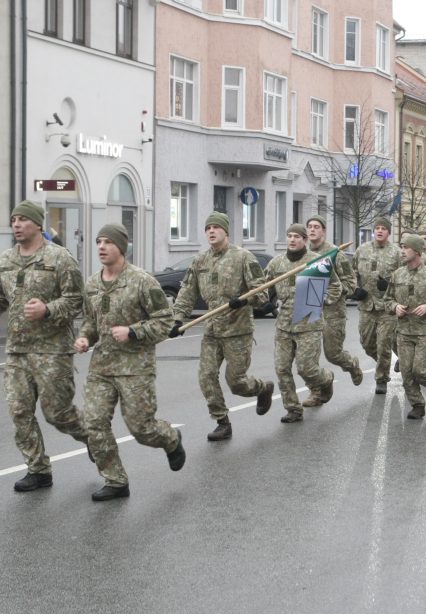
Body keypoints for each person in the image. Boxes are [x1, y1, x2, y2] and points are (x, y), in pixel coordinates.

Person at [75, 224, 184, 501]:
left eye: (108, 242)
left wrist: (133, 331)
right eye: (98, 241)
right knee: (93, 424)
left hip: (135, 368)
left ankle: (170, 439)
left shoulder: (142, 281)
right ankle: (115, 480)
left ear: (121, 247)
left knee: (142, 429)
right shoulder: (91, 283)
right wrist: (85, 338)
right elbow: (91, 321)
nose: (101, 247)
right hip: (102, 368)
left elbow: (165, 321)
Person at [0, 201, 90, 492]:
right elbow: (4, 300)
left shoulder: (59, 258)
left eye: (23, 220)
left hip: (53, 350)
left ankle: (93, 437)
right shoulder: (5, 261)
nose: (16, 224)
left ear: (38, 224)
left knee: (58, 414)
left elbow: (77, 300)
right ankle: (38, 470)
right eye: (13, 219)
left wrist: (48, 310)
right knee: (19, 411)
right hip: (17, 351)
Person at [170, 212, 275, 441]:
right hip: (212, 329)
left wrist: (245, 300)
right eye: (208, 227)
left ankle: (261, 388)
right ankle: (222, 422)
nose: (211, 231)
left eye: (216, 227)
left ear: (225, 231)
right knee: (206, 376)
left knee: (236, 382)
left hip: (238, 329)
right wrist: (178, 318)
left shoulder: (243, 258)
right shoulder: (200, 261)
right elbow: (187, 291)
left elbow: (262, 293)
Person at [266, 224, 335, 423]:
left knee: (307, 369)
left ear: (305, 240)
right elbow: (262, 286)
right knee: (282, 368)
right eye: (289, 236)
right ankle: (293, 409)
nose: (292, 240)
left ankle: (327, 379)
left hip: (309, 324)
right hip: (284, 325)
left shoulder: (317, 262)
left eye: (297, 236)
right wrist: (263, 302)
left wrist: (320, 298)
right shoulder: (276, 263)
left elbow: (335, 287)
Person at [384, 234, 426, 419]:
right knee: (406, 371)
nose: (402, 251)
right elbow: (387, 300)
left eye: (406, 247)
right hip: (404, 331)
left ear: (417, 251)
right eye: (401, 247)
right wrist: (395, 307)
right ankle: (417, 404)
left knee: (420, 370)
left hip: (425, 332)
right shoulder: (397, 274)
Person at [305, 215, 362, 405]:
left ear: (323, 231)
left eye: (316, 227)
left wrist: (330, 293)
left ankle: (351, 364)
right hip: (310, 311)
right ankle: (316, 391)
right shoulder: (304, 254)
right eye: (310, 227)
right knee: (307, 356)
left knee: (332, 353)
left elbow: (351, 283)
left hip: (333, 312)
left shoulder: (335, 254)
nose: (312, 230)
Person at [353, 217, 400, 395]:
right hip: (366, 305)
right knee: (367, 343)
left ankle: (382, 379)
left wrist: (389, 285)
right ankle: (387, 360)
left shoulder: (396, 253)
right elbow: (352, 273)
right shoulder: (362, 250)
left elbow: (403, 277)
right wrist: (355, 289)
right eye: (377, 228)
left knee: (383, 345)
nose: (379, 231)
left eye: (383, 228)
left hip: (387, 307)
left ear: (388, 232)